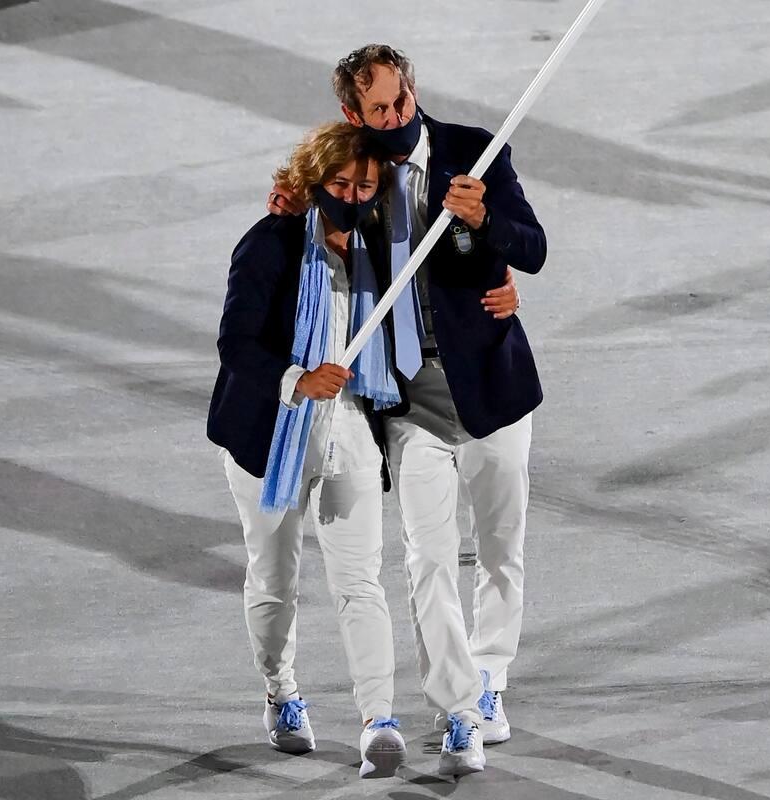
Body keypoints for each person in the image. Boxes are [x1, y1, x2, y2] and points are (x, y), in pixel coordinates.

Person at [268, 44, 546, 776]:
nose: (394, 118)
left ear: (412, 89)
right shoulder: (358, 176)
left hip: (492, 385)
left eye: (400, 102)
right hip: (408, 396)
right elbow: (310, 236)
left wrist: (487, 223)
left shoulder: (476, 152)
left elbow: (534, 246)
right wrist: (286, 211)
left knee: (497, 549)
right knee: (427, 557)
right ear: (351, 113)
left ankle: (491, 678)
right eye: (378, 110)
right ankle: (460, 712)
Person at [209, 121, 515, 777]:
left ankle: (380, 721)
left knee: (360, 582)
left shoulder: (382, 246)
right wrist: (298, 379)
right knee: (275, 585)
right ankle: (281, 692)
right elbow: (235, 345)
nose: (351, 192)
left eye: (364, 184)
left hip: (349, 424)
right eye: (339, 183)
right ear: (314, 181)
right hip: (269, 433)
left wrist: (506, 278)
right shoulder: (272, 244)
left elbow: (454, 269)